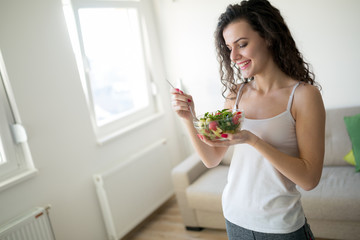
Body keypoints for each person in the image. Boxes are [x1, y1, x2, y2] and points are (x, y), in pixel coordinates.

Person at [171, 0, 325, 239]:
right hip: (235, 218)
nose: (233, 56)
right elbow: (212, 158)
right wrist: (187, 118)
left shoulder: (303, 96)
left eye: (242, 44)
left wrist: (253, 140)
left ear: (269, 37)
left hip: (280, 226)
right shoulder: (236, 94)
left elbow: (309, 179)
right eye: (229, 47)